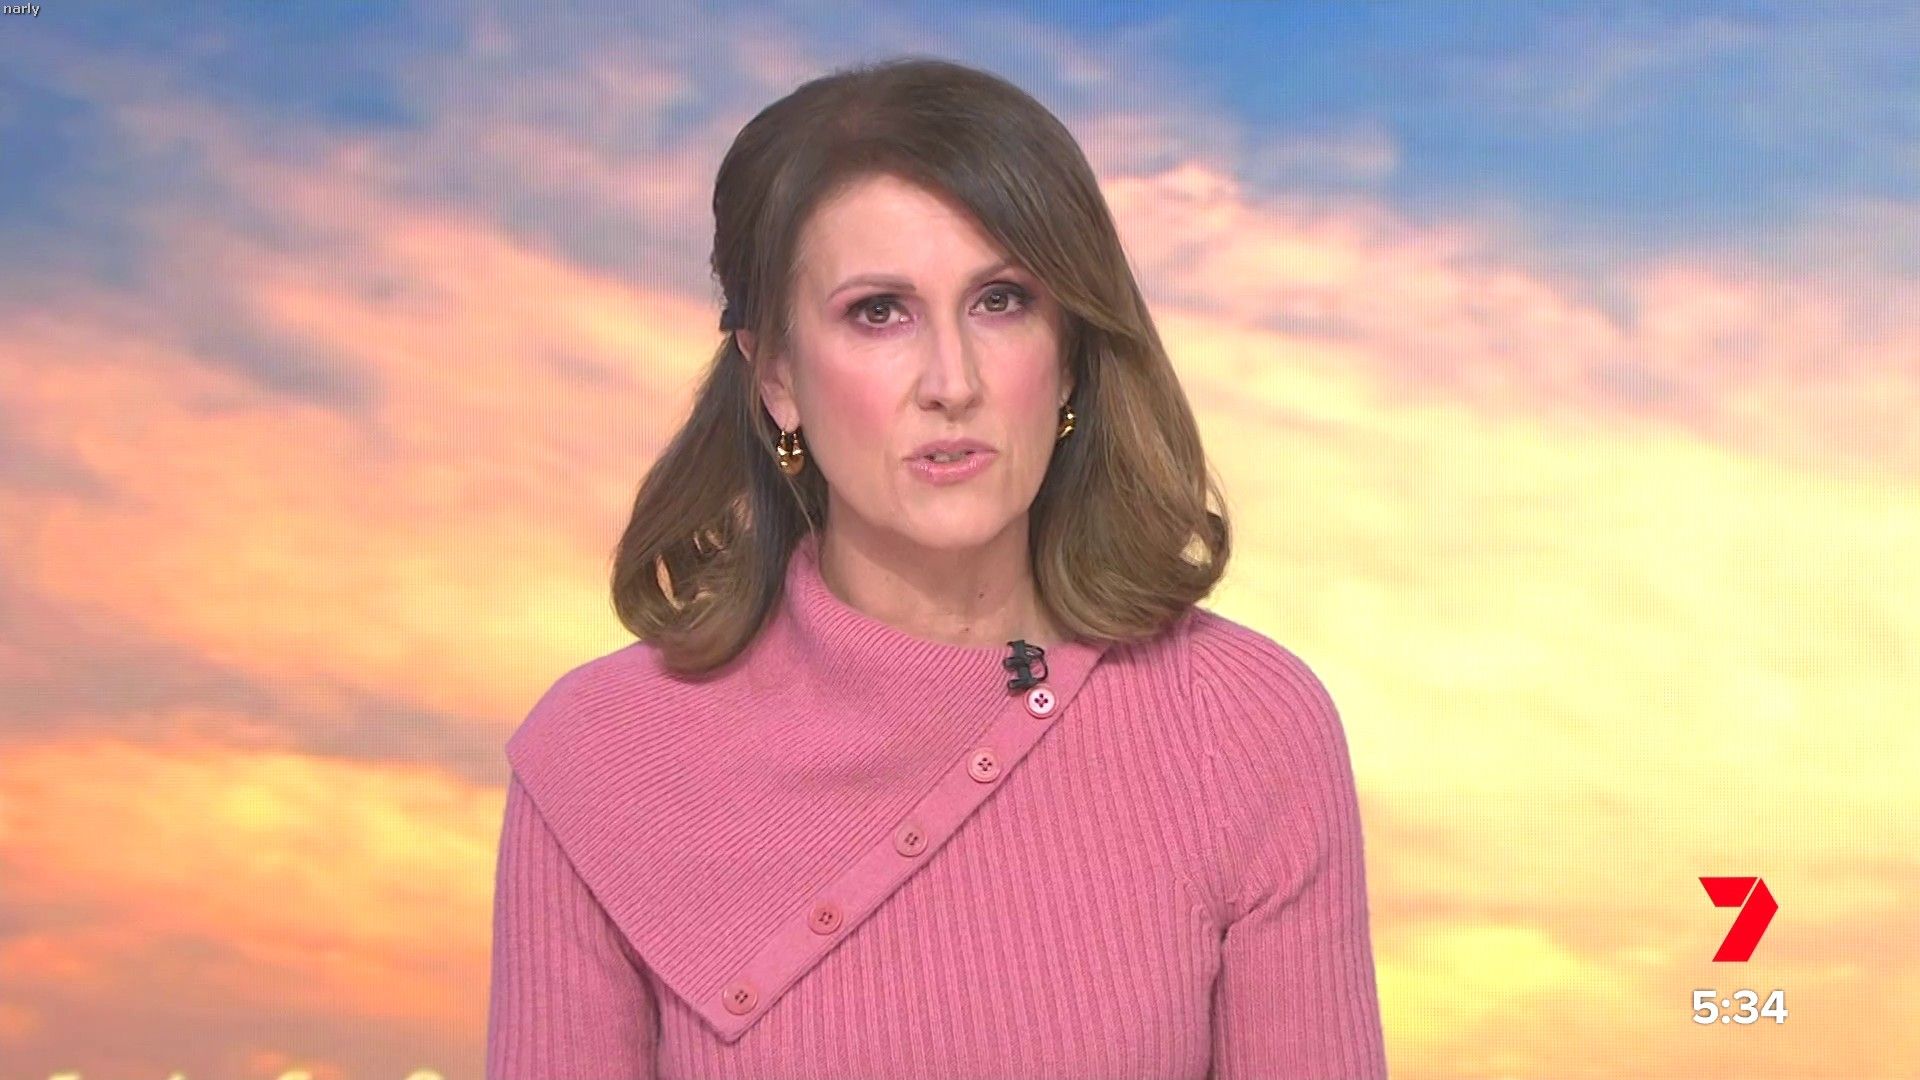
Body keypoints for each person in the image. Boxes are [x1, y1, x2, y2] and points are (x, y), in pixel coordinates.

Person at [487, 54, 1388, 1080]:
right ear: (776, 374)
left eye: (1001, 301)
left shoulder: (1249, 726)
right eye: (879, 312)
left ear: (1069, 352)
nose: (951, 382)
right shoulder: (596, 759)